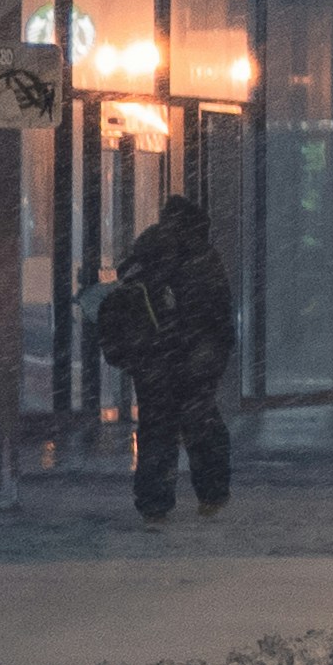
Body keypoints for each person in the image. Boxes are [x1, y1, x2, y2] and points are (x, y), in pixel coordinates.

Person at [105, 189, 238, 523]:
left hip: (152, 359)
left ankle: (154, 505)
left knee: (156, 429)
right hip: (195, 355)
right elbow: (217, 311)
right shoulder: (202, 256)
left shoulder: (145, 251)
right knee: (202, 424)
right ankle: (212, 495)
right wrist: (216, 350)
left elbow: (126, 291)